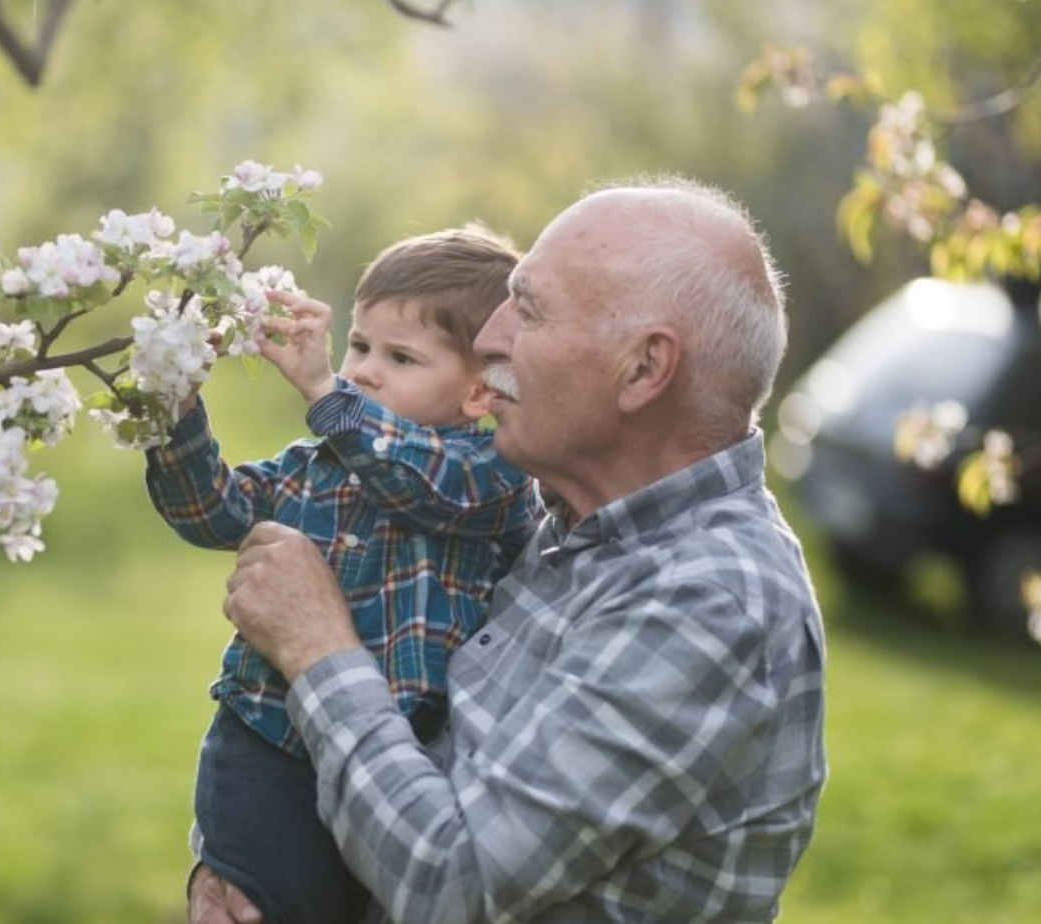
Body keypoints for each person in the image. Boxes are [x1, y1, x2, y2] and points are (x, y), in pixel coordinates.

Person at [199, 177, 829, 924]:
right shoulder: (546, 516)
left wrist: (316, 649)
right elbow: (408, 776)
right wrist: (243, 868)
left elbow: (452, 883)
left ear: (643, 369)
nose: (490, 337)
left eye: (527, 308)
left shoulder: (711, 598)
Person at [146, 226, 544, 924]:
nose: (362, 370)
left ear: (480, 391)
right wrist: (174, 412)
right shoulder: (318, 464)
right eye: (359, 346)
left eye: (400, 356)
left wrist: (329, 394)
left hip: (401, 762)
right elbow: (211, 514)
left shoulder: (492, 475)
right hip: (268, 744)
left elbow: (418, 482)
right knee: (266, 904)